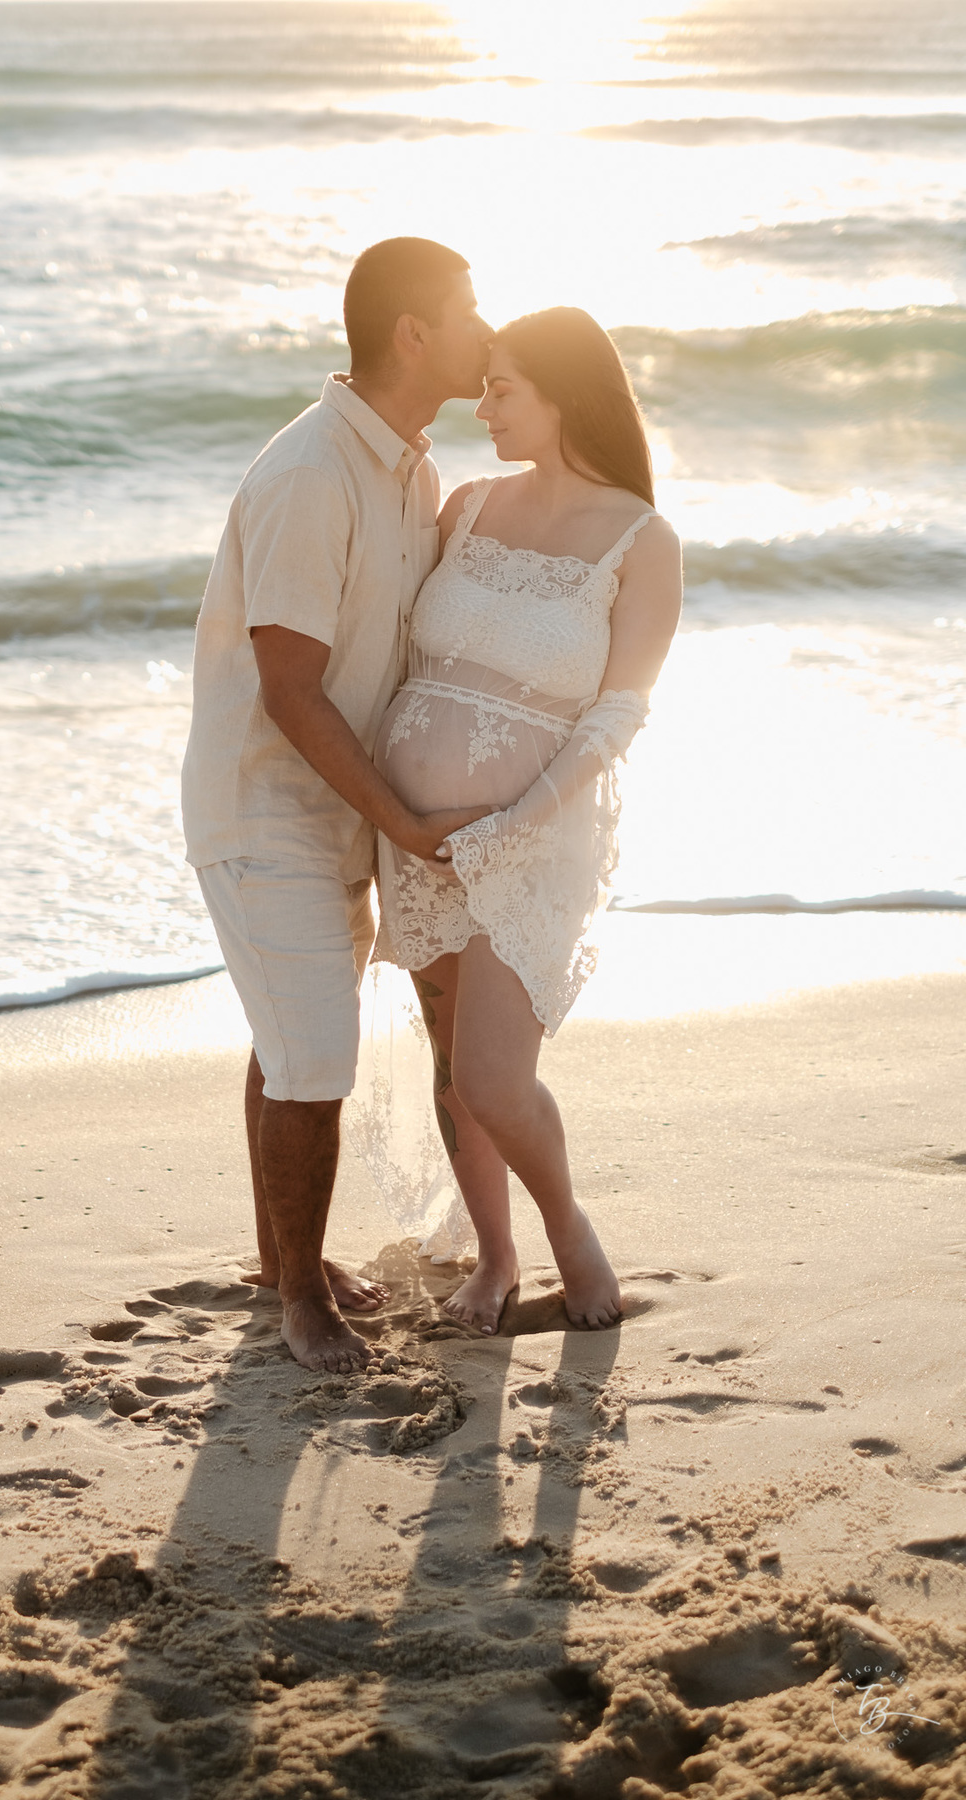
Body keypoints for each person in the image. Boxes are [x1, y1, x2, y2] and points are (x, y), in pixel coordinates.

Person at [181, 238, 494, 1373]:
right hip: (268, 803)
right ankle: (301, 1302)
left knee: (291, 1035)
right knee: (317, 1056)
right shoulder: (314, 474)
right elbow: (290, 686)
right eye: (467, 309)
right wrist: (405, 822)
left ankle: (280, 1261)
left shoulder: (407, 465)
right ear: (412, 333)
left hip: (338, 807)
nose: (484, 328)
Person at [373, 306, 683, 1333]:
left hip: (531, 835)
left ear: (567, 395)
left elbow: (620, 710)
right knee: (454, 1068)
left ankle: (569, 1235)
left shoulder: (641, 539)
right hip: (416, 836)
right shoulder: (465, 505)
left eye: (505, 388)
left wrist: (513, 818)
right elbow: (398, 654)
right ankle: (496, 1261)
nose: (484, 403)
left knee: (500, 1079)